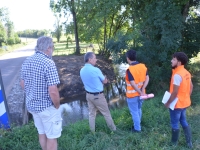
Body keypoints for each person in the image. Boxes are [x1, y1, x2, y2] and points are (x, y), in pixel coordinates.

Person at [20, 36, 62, 150]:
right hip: (47, 108)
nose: (52, 49)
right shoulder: (49, 63)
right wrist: (57, 105)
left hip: (32, 106)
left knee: (42, 133)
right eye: (52, 47)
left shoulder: (27, 61)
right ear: (48, 48)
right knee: (52, 137)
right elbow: (53, 90)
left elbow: (23, 84)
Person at [80, 52, 116, 132]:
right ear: (89, 59)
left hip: (88, 96)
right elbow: (105, 81)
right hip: (98, 96)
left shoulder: (81, 70)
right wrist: (105, 80)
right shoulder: (96, 70)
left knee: (91, 114)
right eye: (95, 58)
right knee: (106, 113)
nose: (96, 60)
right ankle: (113, 130)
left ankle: (92, 132)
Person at [165, 52, 193, 148]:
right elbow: (191, 87)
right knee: (183, 121)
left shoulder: (177, 75)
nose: (171, 61)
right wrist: (186, 97)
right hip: (184, 103)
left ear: (179, 62)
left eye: (173, 59)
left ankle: (173, 144)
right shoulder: (186, 72)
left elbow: (175, 93)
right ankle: (189, 143)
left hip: (176, 104)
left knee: (174, 123)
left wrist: (168, 103)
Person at [125, 49, 149, 132]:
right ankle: (138, 124)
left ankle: (137, 129)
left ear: (128, 58)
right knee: (138, 109)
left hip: (132, 96)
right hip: (141, 95)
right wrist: (142, 90)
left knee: (134, 112)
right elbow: (147, 78)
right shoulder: (143, 66)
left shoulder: (130, 70)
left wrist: (140, 92)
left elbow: (132, 83)